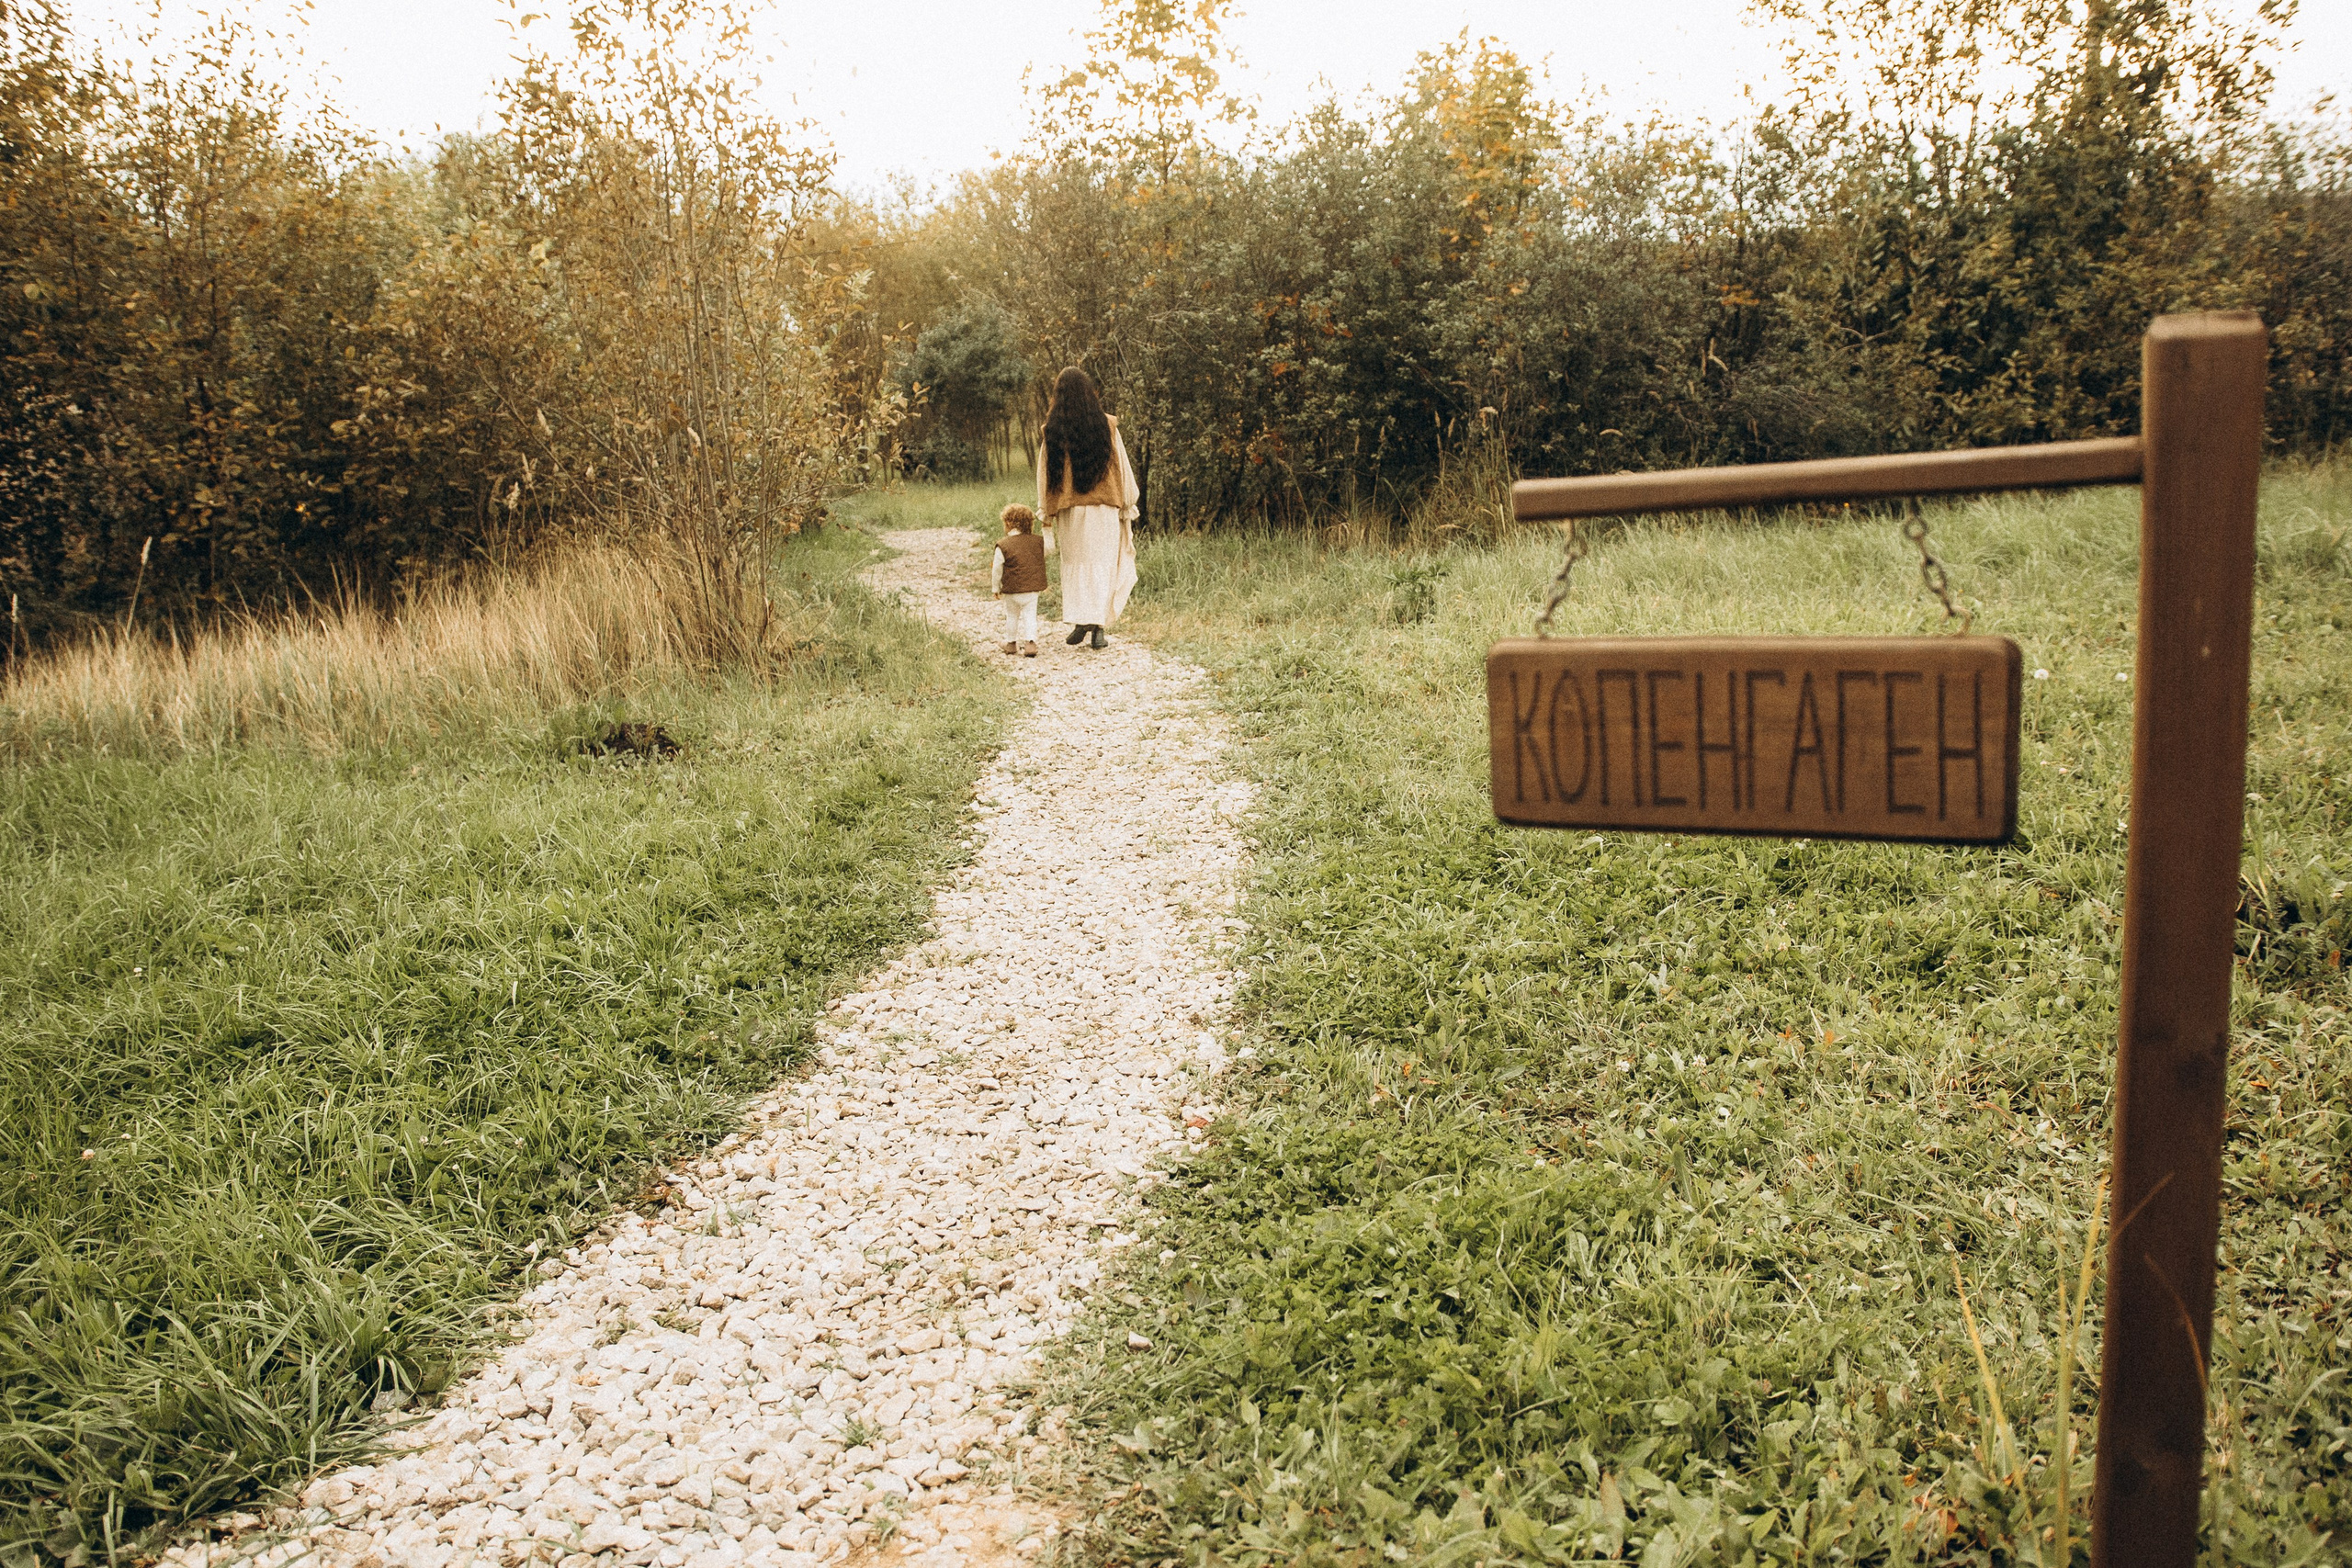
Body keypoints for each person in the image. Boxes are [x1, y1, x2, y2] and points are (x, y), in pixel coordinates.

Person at [1035, 366, 1137, 650]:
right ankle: (1096, 627)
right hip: (1104, 510)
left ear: (1058, 395)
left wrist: (1045, 510)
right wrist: (1128, 502)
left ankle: (1085, 623)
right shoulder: (1107, 425)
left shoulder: (1053, 430)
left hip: (1071, 511)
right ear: (1089, 392)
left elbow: (1044, 475)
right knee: (1101, 566)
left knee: (1077, 566)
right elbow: (1122, 466)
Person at [990, 503, 1046, 657]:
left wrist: (995, 588)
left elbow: (997, 568)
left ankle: (1011, 643)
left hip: (1012, 589)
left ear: (1008, 523)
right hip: (1031, 589)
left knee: (1012, 615)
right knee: (1030, 616)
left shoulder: (1003, 545)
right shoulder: (1037, 542)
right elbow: (1049, 550)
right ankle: (1030, 644)